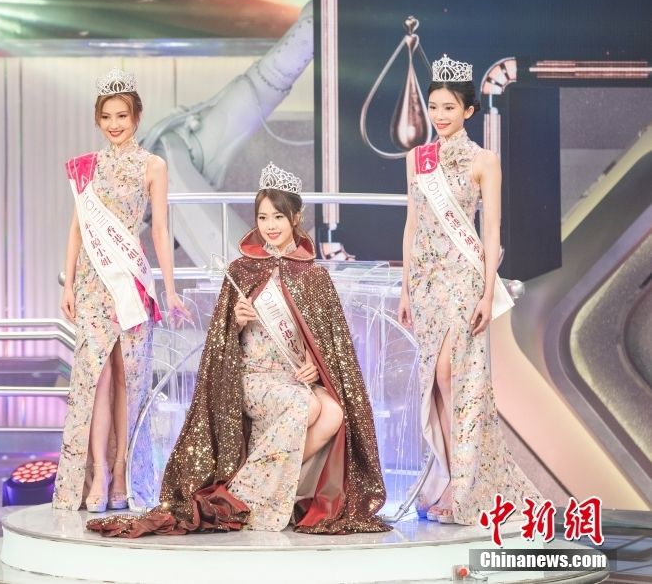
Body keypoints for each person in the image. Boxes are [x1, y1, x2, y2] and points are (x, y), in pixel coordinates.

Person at [88, 163, 390, 536]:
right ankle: (249, 495)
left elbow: (330, 344)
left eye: (278, 216)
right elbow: (219, 343)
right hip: (253, 379)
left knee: (333, 412)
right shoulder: (242, 270)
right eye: (263, 217)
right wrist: (236, 321)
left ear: (296, 218)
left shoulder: (315, 276)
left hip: (293, 377)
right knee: (308, 405)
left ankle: (255, 491)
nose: (270, 225)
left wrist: (316, 364)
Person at [398, 55, 540, 524]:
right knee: (434, 386)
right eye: (435, 107)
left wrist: (485, 291)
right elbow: (412, 224)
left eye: (449, 107)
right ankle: (448, 477)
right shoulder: (418, 159)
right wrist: (405, 290)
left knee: (451, 377)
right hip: (426, 282)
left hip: (463, 279)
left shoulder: (484, 161)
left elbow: (492, 229)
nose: (440, 115)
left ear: (468, 111)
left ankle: (464, 484)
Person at [53, 68, 188, 513]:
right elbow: (77, 229)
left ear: (137, 117)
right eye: (107, 116)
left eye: (122, 116)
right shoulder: (86, 167)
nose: (114, 124)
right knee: (97, 380)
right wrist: (68, 282)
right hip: (93, 286)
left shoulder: (154, 166)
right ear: (98, 119)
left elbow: (161, 230)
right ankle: (99, 473)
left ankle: (124, 470)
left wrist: (170, 289)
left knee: (129, 379)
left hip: (130, 282)